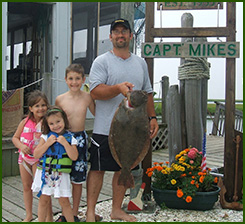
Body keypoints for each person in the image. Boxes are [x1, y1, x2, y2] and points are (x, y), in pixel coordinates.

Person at [86, 18, 159, 222]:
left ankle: (116, 209)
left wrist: (152, 117)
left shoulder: (140, 63)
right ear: (110, 37)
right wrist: (117, 88)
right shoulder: (101, 61)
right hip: (104, 128)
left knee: (123, 168)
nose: (120, 35)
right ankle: (90, 211)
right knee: (98, 169)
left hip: (134, 129)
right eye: (116, 32)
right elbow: (95, 92)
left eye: (124, 31)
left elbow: (148, 93)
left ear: (130, 35)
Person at [55, 64, 97, 222]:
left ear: (83, 80)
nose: (74, 82)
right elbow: (54, 120)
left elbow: (97, 113)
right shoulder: (60, 99)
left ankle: (74, 211)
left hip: (80, 139)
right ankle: (64, 211)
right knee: (62, 175)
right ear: (65, 80)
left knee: (78, 178)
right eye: (71, 79)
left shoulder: (87, 97)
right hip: (64, 139)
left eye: (77, 79)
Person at [31, 106, 78, 222]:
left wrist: (65, 144)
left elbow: (74, 156)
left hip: (61, 175)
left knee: (64, 201)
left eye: (58, 122)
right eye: (52, 123)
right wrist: (47, 144)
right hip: (46, 173)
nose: (56, 125)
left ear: (64, 121)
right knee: (43, 200)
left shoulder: (71, 138)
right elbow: (36, 154)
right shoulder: (45, 137)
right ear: (47, 125)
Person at [12, 90, 53, 222]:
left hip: (39, 159)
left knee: (43, 189)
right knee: (26, 186)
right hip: (24, 159)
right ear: (30, 108)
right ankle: (29, 214)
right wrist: (20, 146)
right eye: (37, 106)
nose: (40, 108)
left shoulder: (47, 122)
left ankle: (48, 216)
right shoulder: (25, 122)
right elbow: (15, 138)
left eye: (43, 105)